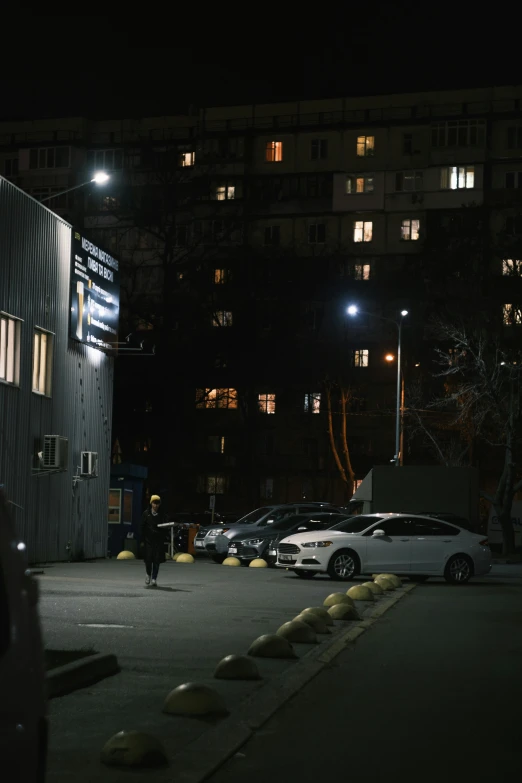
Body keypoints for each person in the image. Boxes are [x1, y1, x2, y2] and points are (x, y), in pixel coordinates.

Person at [140, 494, 168, 587]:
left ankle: (154, 578)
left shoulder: (162, 515)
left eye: (157, 503)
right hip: (148, 540)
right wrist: (142, 539)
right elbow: (142, 527)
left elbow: (165, 527)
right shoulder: (146, 514)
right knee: (148, 559)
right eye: (154, 503)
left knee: (156, 560)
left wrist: (162, 533)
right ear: (151, 503)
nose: (156, 505)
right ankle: (148, 574)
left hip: (158, 541)